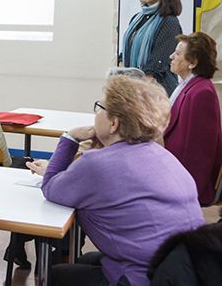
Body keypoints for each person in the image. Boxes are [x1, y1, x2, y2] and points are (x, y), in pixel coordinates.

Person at [27, 75, 205, 286]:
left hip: (145, 277)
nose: (95, 114)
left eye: (99, 107)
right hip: (187, 270)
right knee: (85, 260)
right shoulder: (163, 155)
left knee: (57, 275)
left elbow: (50, 187)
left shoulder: (97, 164)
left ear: (114, 123)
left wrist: (70, 138)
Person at [163, 31, 222, 205]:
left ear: (193, 63)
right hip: (173, 173)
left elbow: (199, 152)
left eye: (178, 54)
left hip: (184, 184)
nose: (171, 56)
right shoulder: (187, 86)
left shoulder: (202, 92)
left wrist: (187, 193)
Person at [119, 0, 183, 95]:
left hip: (154, 95)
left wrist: (134, 90)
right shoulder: (137, 18)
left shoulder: (169, 22)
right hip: (132, 90)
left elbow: (155, 67)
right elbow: (125, 52)